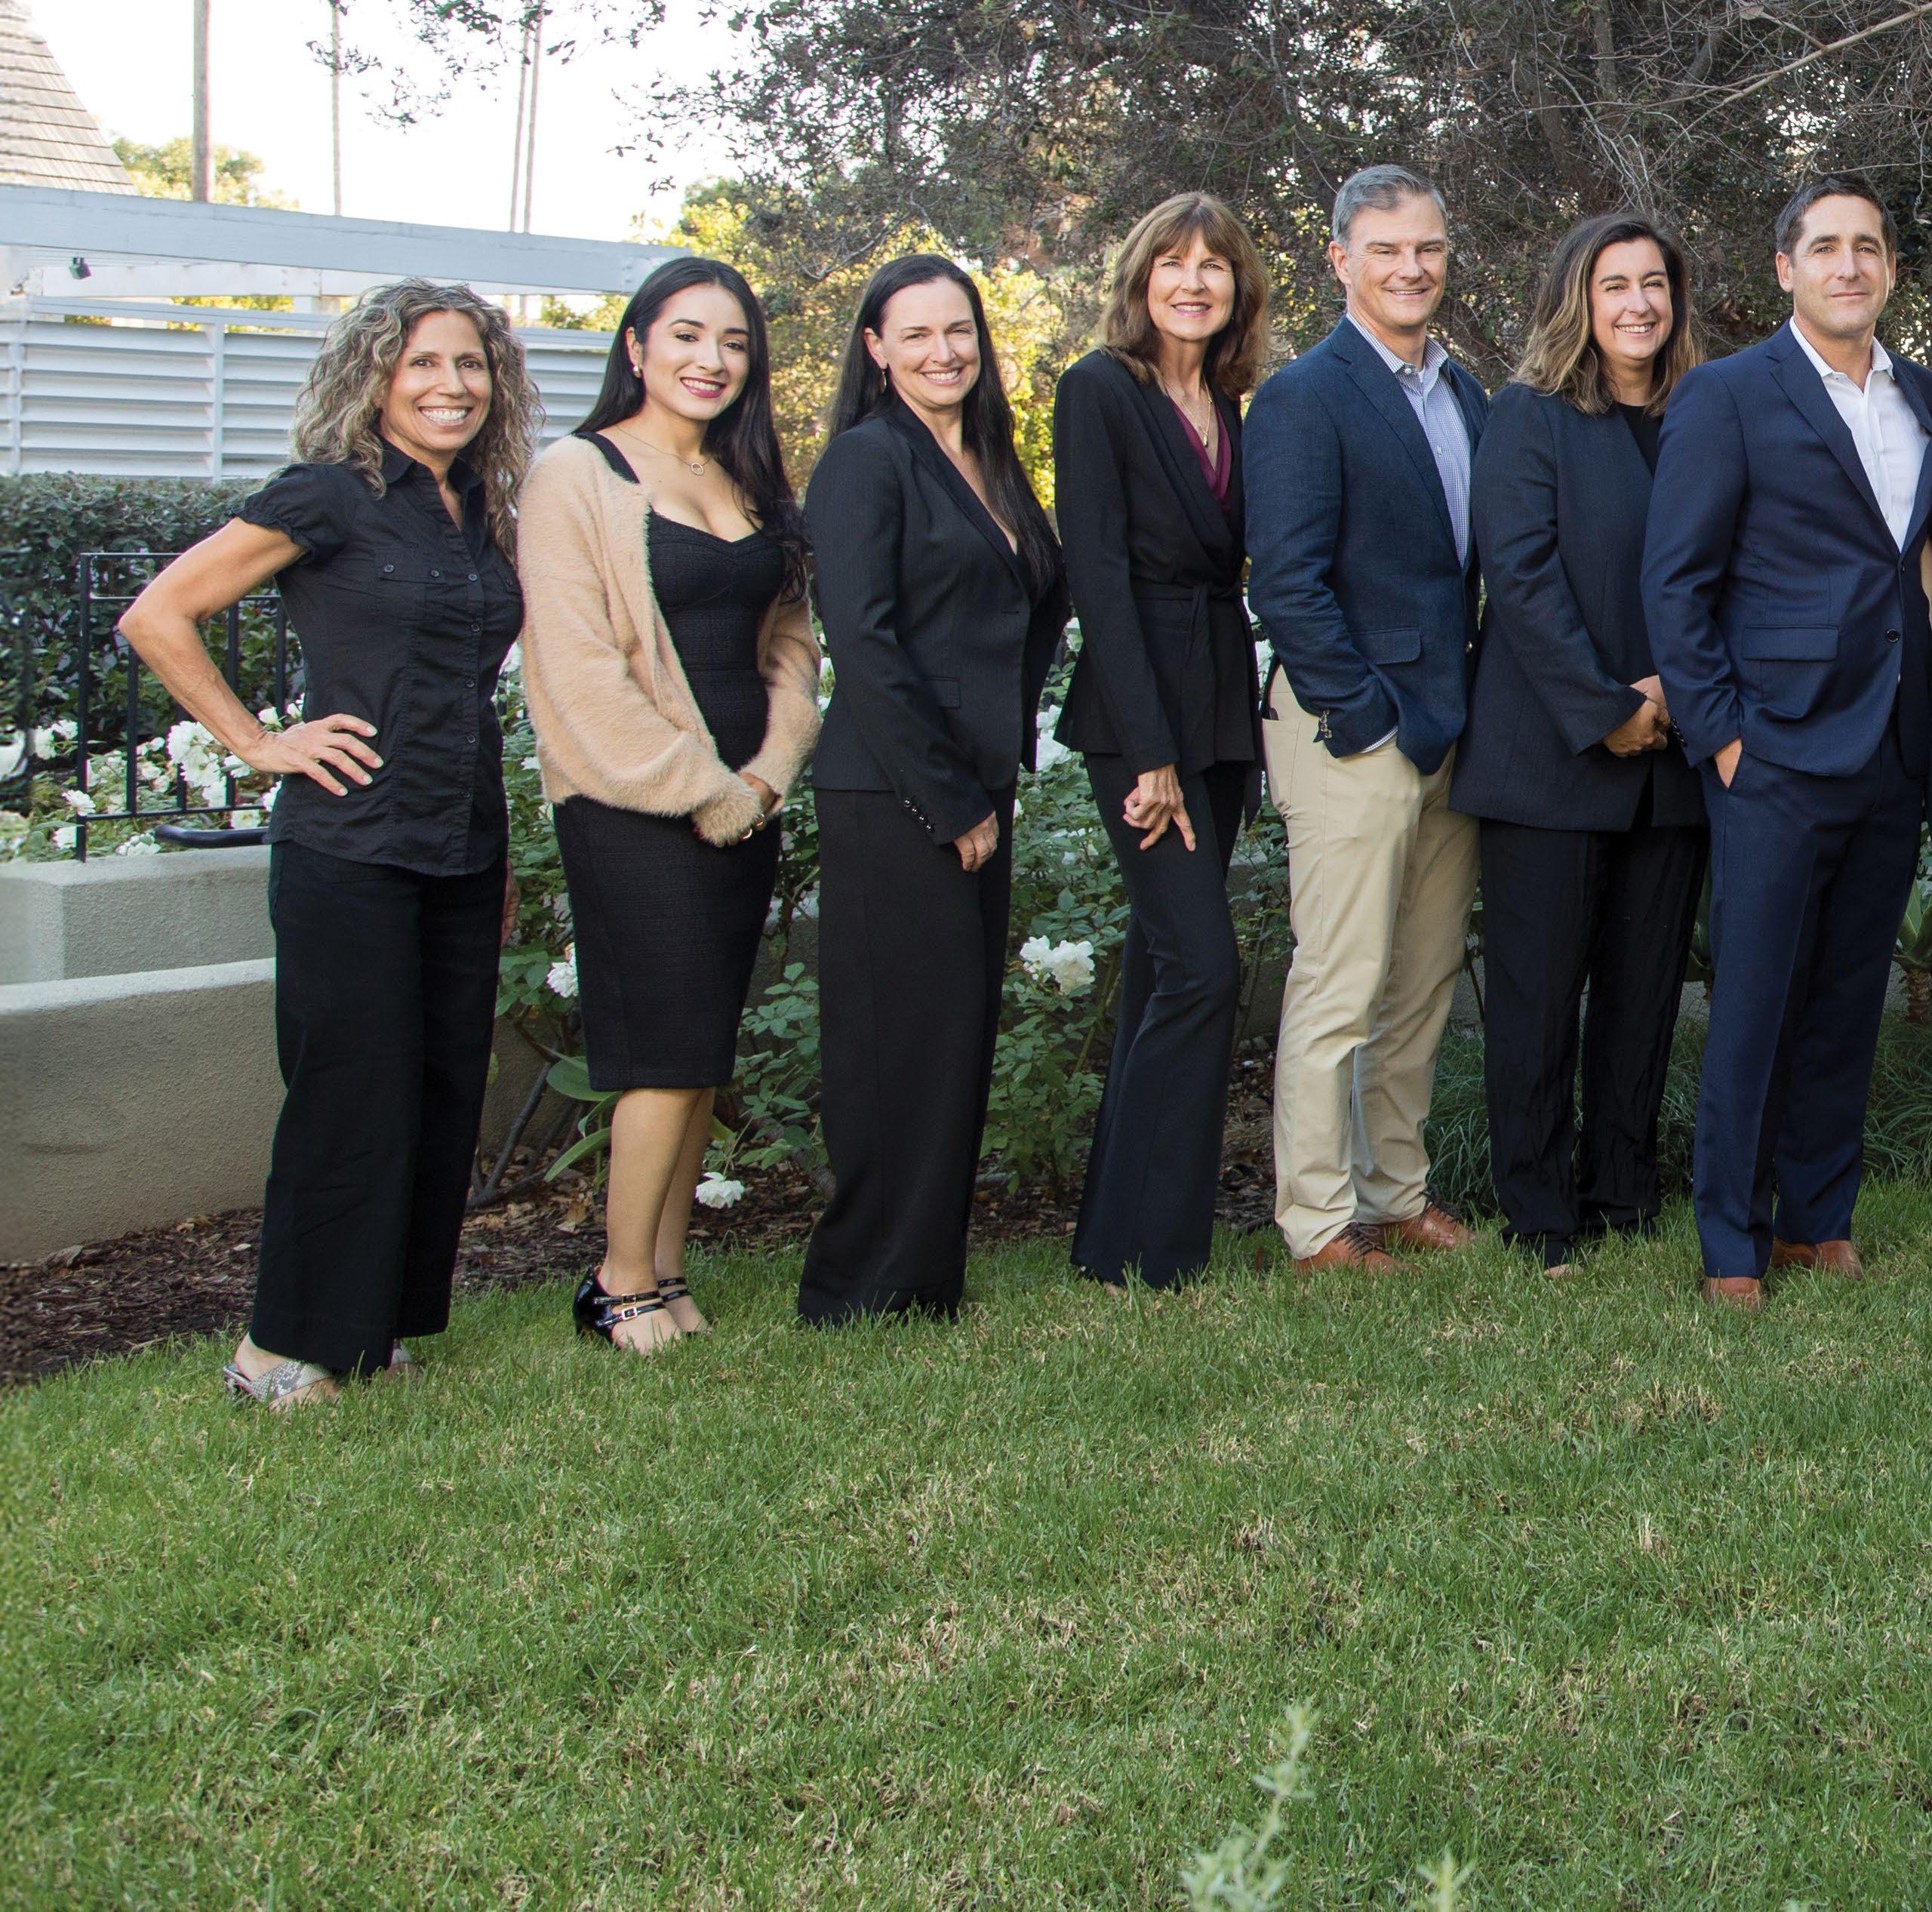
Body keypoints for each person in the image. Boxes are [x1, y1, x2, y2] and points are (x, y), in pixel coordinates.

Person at [117, 280, 539, 1406]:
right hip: (349, 843)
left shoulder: (479, 509)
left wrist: (494, 859)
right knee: (349, 1093)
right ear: (375, 377)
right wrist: (258, 742)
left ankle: (369, 1330)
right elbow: (157, 615)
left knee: (437, 1088)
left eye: (471, 364)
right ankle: (271, 1350)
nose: (452, 385)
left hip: (460, 845)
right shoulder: (328, 496)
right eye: (424, 363)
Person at [516, 258, 820, 1353]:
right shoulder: (575, 473)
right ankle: (618, 1283)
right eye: (687, 335)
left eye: (734, 342)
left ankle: (667, 1264)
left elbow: (791, 646)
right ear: (637, 346)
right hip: (634, 805)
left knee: (702, 1049)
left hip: (746, 802)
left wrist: (768, 774)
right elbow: (577, 671)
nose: (711, 360)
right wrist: (704, 788)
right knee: (661, 1050)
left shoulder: (749, 481)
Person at [1643, 174, 1932, 1310]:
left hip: (1896, 747)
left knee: (1848, 997)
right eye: (1825, 247)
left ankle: (1820, 1221)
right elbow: (1676, 583)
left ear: (1892, 269)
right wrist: (1722, 738)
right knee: (1756, 1002)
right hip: (1772, 752)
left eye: (1868, 247)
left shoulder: (1921, 397)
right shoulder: (1727, 395)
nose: (1848, 265)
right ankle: (1731, 1242)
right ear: (1786, 268)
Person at [798, 254, 1069, 1325]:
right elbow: (862, 643)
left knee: (952, 1039)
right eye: (914, 334)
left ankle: (921, 1281)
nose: (942, 352)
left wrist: (999, 756)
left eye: (958, 330)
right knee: (893, 1046)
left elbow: (1036, 603)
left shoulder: (992, 459)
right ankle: (856, 1287)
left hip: (976, 782)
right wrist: (950, 799)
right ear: (876, 349)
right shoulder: (866, 460)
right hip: (894, 792)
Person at [1450, 214, 1709, 1276]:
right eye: (1615, 285)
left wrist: (1680, 697)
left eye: (1655, 283)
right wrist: (1609, 707)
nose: (1639, 303)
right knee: (1540, 996)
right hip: (1552, 758)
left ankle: (1623, 1193)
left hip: (1676, 759)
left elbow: (1735, 567)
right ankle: (1541, 1212)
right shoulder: (1530, 415)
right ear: (1578, 300)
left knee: (1644, 994)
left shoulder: (1707, 414)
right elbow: (1519, 580)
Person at [1243, 164, 1491, 1276]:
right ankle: (1315, 1222)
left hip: (1451, 731)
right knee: (1339, 984)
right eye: (1386, 249)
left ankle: (1396, 1195)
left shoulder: (1465, 394)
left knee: (1421, 983)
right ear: (1341, 259)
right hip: (1355, 732)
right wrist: (1363, 719)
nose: (1410, 268)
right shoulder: (1305, 396)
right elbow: (1287, 585)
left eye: (1427, 248)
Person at [1051, 192, 1269, 1289]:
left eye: (1213, 266)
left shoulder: (1231, 403)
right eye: (1173, 263)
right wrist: (1150, 756)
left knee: (1158, 969)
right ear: (1141, 280)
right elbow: (1095, 573)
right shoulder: (1099, 389)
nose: (1194, 282)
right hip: (1141, 717)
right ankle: (1167, 1247)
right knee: (1201, 967)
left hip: (1220, 709)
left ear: (1238, 287)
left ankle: (1114, 1242)